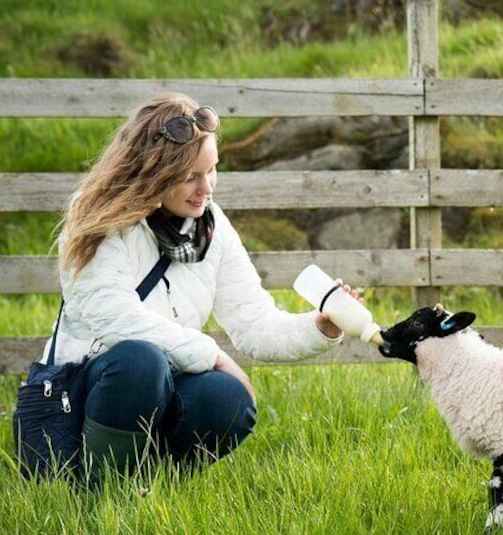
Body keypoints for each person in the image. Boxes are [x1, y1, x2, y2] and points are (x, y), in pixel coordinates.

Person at [46, 92, 354, 480]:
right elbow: (112, 317)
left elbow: (253, 321)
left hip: (162, 384)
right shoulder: (96, 219)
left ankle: (154, 487)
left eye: (212, 170)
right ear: (155, 171)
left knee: (228, 398)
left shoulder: (211, 227)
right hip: (79, 401)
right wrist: (213, 355)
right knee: (141, 361)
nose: (207, 188)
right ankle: (100, 490)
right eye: (191, 177)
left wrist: (319, 327)